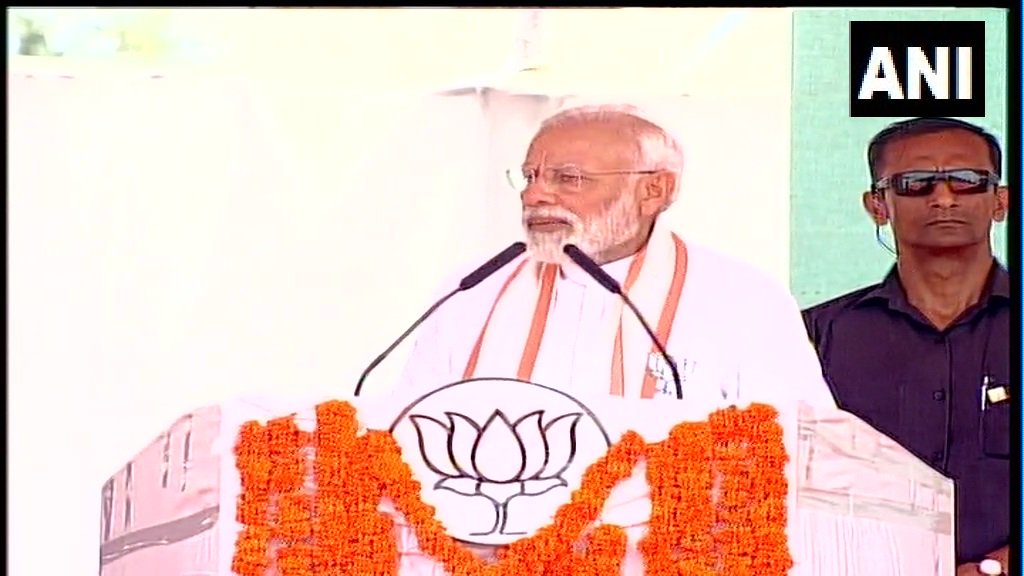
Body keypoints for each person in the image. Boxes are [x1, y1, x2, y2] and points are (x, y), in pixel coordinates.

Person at [396, 103, 836, 412]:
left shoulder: (742, 298)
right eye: (530, 176)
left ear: (654, 190)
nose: (534, 195)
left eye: (568, 178)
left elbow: (798, 446)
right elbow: (412, 423)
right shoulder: (475, 290)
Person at [802, 117, 1010, 575]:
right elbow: (781, 479)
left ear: (1000, 201)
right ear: (877, 205)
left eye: (967, 180)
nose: (944, 198)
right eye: (915, 183)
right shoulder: (813, 336)